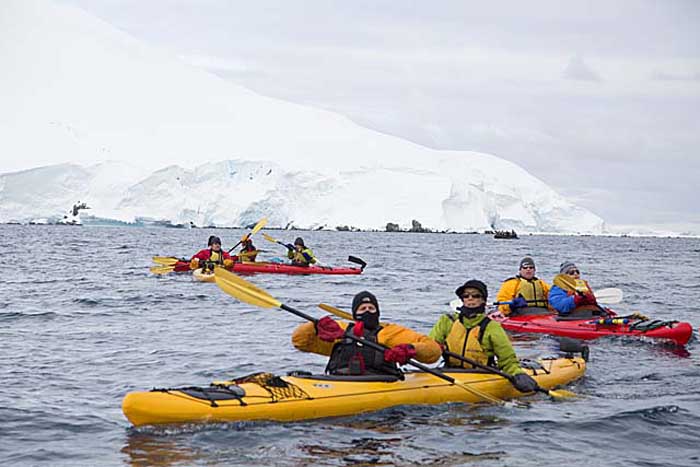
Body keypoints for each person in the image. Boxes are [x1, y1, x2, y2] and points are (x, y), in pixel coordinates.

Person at [291, 291, 441, 376]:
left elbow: (433, 351)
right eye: (363, 309)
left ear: (378, 312)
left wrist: (410, 349)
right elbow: (300, 342)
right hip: (339, 382)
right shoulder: (342, 331)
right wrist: (315, 326)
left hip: (379, 383)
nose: (368, 311)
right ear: (355, 314)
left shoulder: (390, 332)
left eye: (371, 308)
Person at [429, 280, 538, 393]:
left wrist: (517, 374)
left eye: (476, 295)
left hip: (481, 375)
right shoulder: (447, 321)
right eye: (466, 296)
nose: (470, 298)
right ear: (462, 300)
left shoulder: (492, 327)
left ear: (483, 300)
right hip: (449, 371)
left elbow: (507, 360)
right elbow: (429, 348)